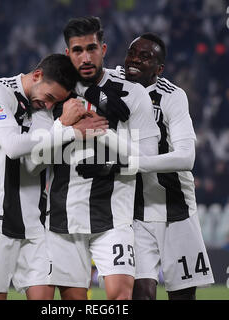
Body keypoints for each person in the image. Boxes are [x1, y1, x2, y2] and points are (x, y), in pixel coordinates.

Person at [0, 53, 109, 300]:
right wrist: (68, 130)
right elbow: (12, 146)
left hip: (33, 223)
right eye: (50, 97)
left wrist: (63, 129)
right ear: (37, 75)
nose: (50, 105)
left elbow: (33, 164)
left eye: (57, 102)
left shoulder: (42, 110)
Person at [46, 17, 160, 300]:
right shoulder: (54, 92)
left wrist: (111, 159)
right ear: (67, 53)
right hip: (64, 217)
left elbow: (150, 159)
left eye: (91, 48)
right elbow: (37, 151)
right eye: (77, 50)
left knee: (121, 298)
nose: (85, 57)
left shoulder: (133, 94)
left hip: (114, 216)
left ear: (104, 49)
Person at [119, 33, 215, 300]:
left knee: (182, 296)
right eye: (132, 52)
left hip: (176, 208)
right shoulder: (114, 85)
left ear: (159, 69)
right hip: (134, 213)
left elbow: (187, 158)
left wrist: (136, 164)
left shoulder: (172, 96)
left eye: (145, 56)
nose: (134, 60)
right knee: (140, 294)